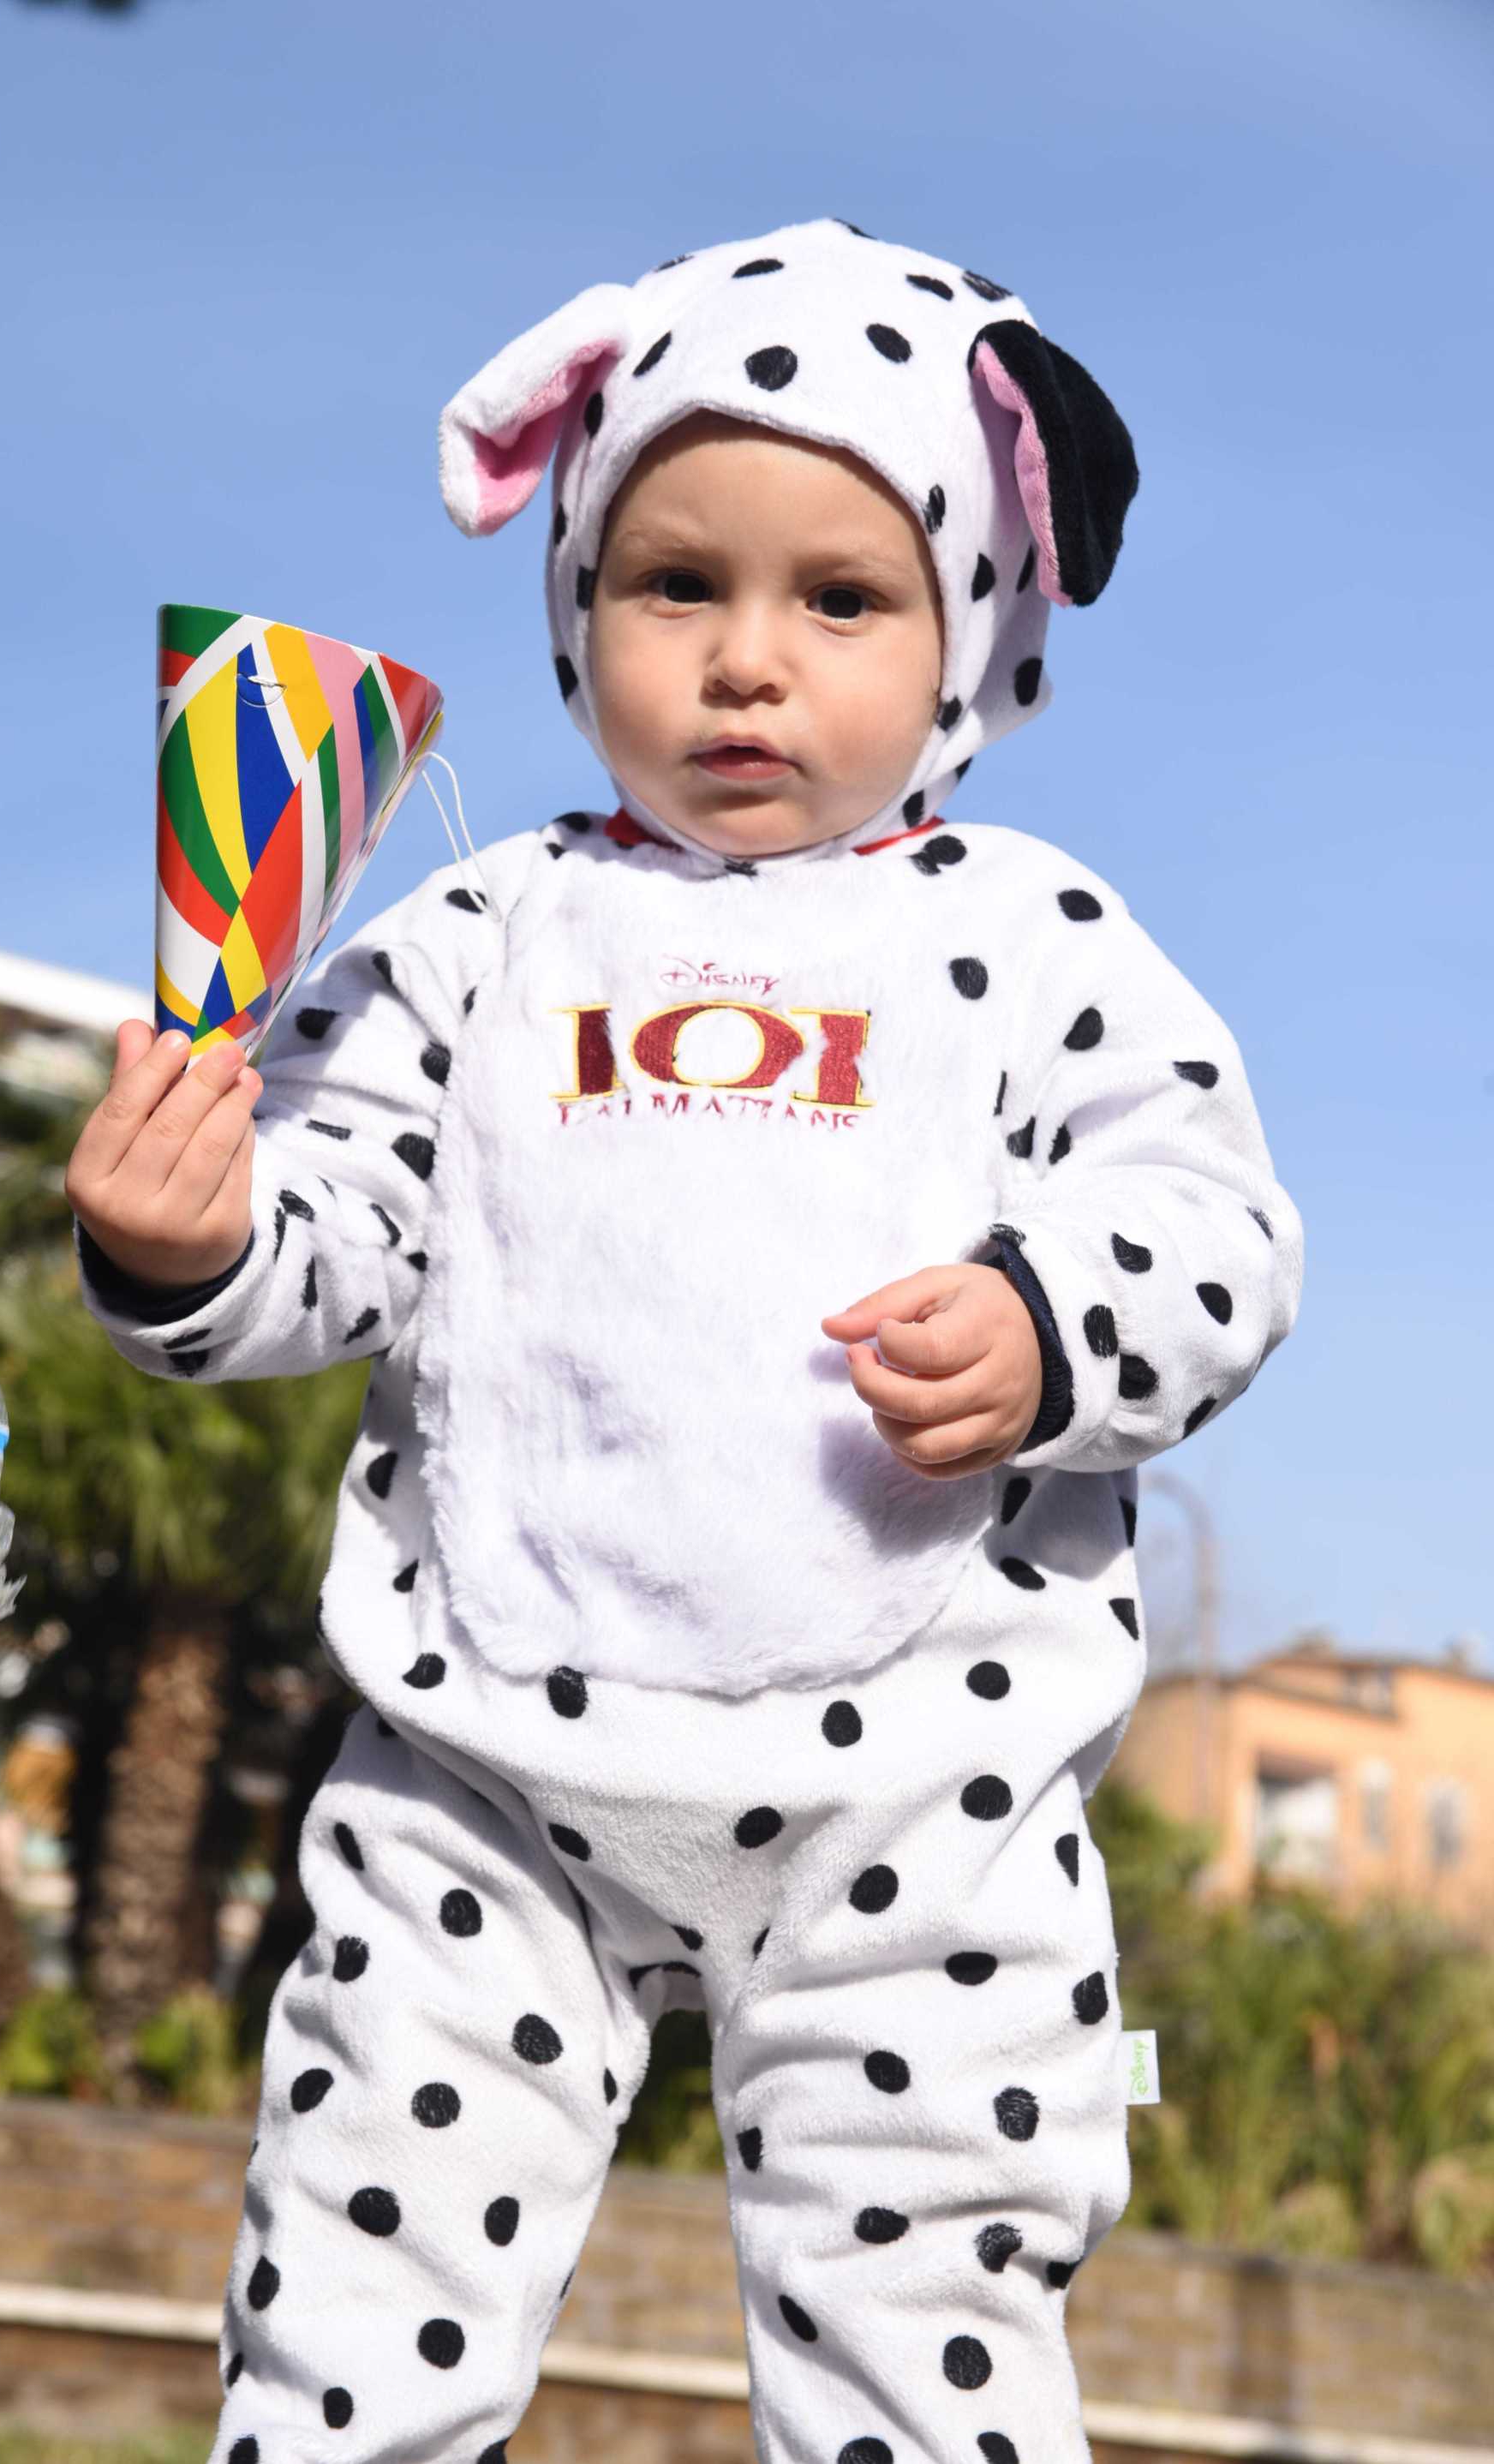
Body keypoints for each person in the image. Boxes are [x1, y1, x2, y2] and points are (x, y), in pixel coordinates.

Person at [67, 216, 1303, 2464]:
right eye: (675, 583)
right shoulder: (482, 931)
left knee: (927, 2336)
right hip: (484, 1771)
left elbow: (1214, 1225)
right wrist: (194, 1239)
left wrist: (1050, 1324)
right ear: (572, 603)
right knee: (349, 2308)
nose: (749, 664)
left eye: (840, 597)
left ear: (974, 631)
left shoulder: (1032, 941)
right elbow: (339, 1223)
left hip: (913, 1791)